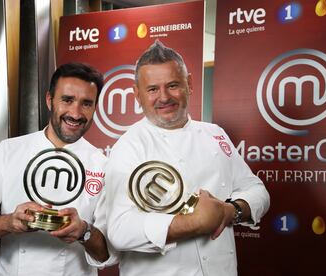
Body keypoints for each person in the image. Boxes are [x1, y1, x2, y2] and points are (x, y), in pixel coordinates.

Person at [105, 40, 270, 276]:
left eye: (173, 85)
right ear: (137, 95)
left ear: (189, 84)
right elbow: (120, 230)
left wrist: (229, 211)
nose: (164, 97)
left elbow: (256, 190)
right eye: (152, 89)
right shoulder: (129, 147)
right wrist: (194, 223)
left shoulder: (215, 133)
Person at [0, 62, 116, 276]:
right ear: (49, 100)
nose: (76, 113)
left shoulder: (104, 166)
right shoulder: (9, 151)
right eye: (67, 100)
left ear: (95, 108)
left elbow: (109, 253)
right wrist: (9, 222)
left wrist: (84, 231)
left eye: (86, 103)